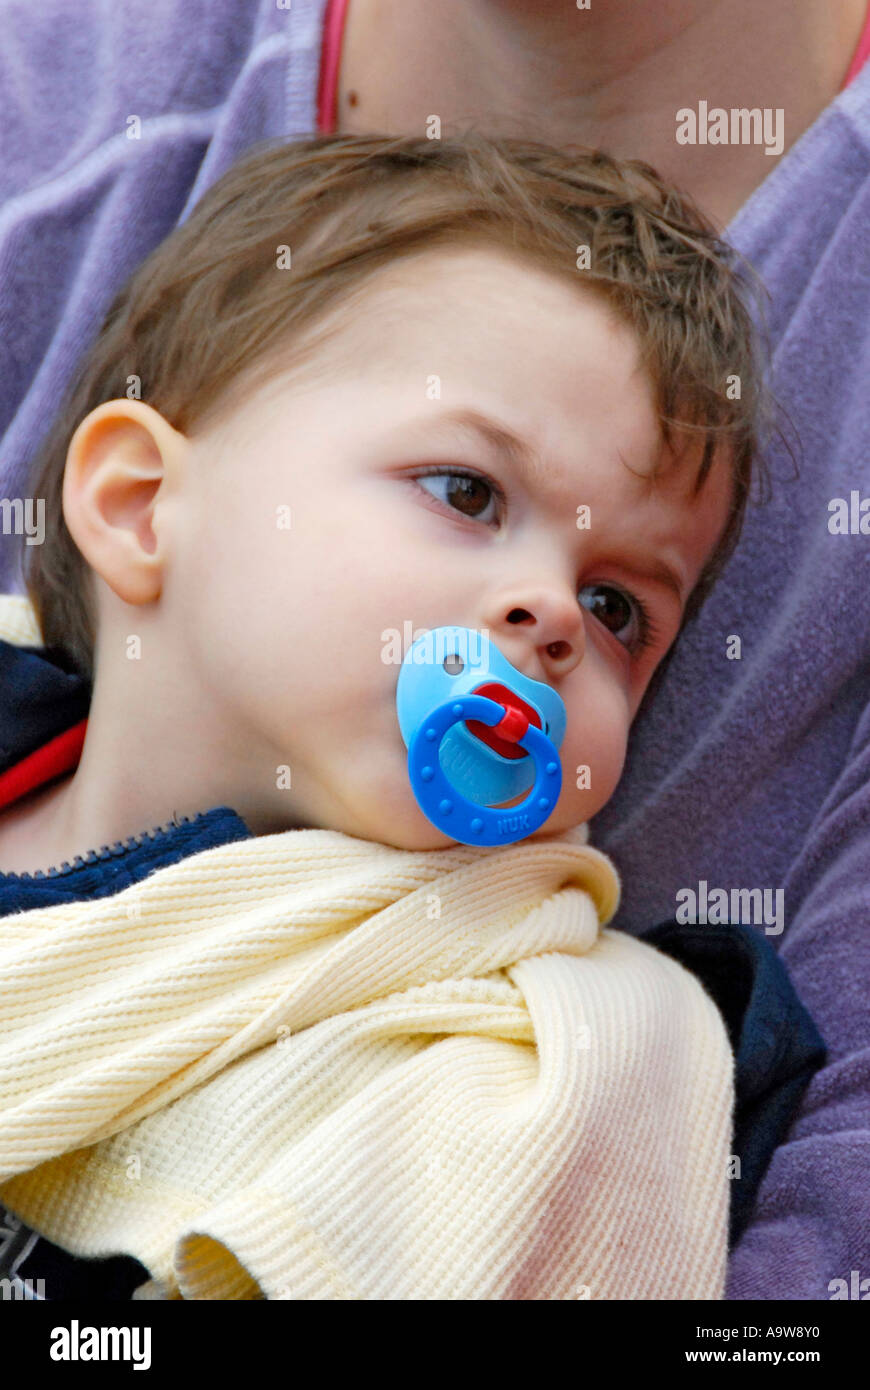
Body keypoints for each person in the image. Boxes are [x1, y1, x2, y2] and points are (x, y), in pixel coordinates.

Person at [0, 0, 866, 1300]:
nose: (555, 615)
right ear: (138, 505)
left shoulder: (532, 1045)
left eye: (622, 606)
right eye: (465, 493)